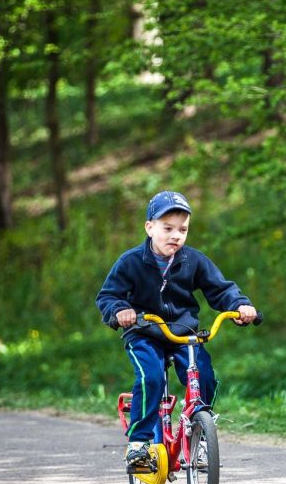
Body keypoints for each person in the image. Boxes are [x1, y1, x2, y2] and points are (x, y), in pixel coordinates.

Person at [96, 190, 258, 469]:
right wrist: (119, 311)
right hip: (144, 332)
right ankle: (139, 442)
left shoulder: (193, 260)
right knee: (151, 378)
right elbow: (108, 296)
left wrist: (240, 306)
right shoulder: (131, 261)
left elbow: (221, 289)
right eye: (167, 228)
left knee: (204, 375)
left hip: (184, 334)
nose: (175, 235)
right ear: (149, 228)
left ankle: (200, 430)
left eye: (182, 229)